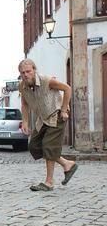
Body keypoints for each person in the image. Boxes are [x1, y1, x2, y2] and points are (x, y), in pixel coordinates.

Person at [18, 59, 78, 191]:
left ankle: (49, 182)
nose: (26, 74)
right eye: (23, 73)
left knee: (48, 147)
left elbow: (67, 88)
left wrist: (63, 109)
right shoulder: (22, 86)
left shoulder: (47, 81)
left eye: (28, 71)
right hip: (42, 118)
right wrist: (25, 121)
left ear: (34, 70)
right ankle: (67, 164)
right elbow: (24, 104)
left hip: (56, 115)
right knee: (34, 146)